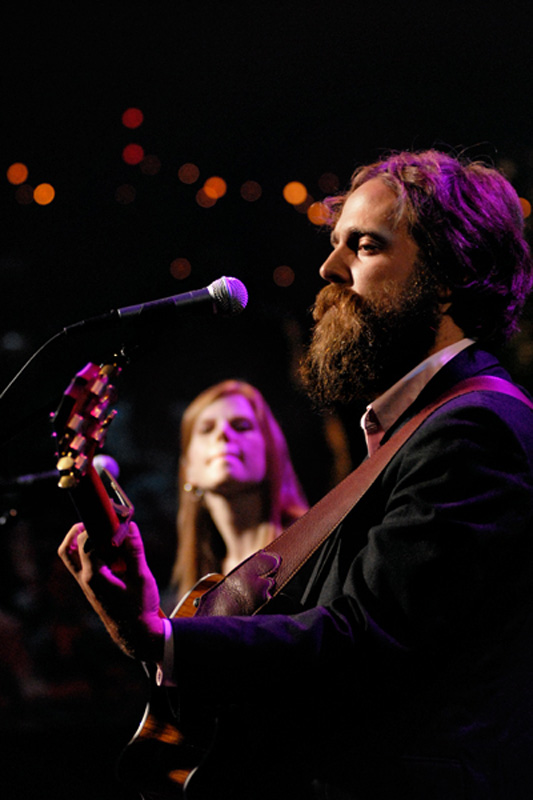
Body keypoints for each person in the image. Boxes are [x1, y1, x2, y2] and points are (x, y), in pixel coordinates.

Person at [58, 149, 533, 800]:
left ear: (447, 278)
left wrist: (163, 640)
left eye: (363, 247)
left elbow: (370, 642)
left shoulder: (471, 429)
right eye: (335, 244)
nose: (328, 267)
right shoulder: (420, 428)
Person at [165, 379, 309, 606]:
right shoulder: (193, 594)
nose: (222, 433)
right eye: (206, 429)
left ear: (270, 451)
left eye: (241, 426)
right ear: (188, 469)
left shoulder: (312, 549)